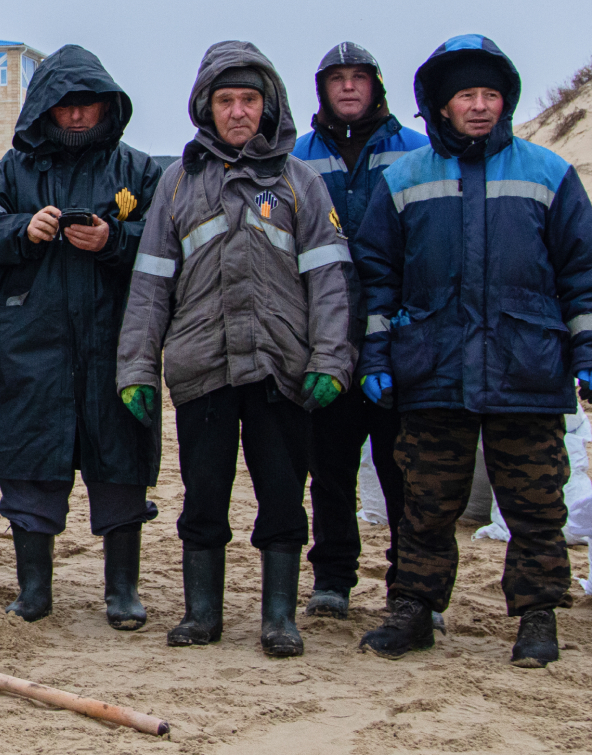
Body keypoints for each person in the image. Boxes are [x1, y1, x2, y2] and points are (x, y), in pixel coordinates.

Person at [354, 35, 591, 669]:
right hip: (433, 367)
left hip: (530, 368)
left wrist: (586, 348)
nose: (479, 106)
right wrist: (376, 358)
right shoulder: (402, 179)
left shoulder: (550, 172)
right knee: (425, 503)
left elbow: (581, 273)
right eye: (466, 95)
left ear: (505, 101)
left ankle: (537, 617)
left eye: (489, 94)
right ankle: (414, 609)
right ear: (441, 105)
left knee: (536, 504)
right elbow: (377, 278)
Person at [116, 41, 353, 657]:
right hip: (203, 369)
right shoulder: (179, 181)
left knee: (281, 493)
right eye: (227, 100)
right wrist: (137, 367)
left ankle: (279, 618)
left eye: (250, 99)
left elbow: (329, 280)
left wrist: (331, 359)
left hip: (282, 369)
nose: (239, 111)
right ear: (206, 107)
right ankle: (203, 615)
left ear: (268, 104)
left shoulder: (301, 182)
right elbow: (150, 283)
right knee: (203, 494)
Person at [0, 45, 163, 628]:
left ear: (107, 106)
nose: (76, 116)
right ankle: (34, 591)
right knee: (30, 464)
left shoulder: (139, 170)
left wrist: (115, 240)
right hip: (34, 342)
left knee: (120, 462)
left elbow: (166, 239)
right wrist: (25, 228)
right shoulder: (14, 169)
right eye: (64, 104)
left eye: (87, 105)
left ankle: (122, 591)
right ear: (44, 107)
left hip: (116, 340)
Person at [290, 42, 429, 618]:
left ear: (376, 86)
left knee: (406, 471)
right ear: (321, 89)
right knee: (330, 468)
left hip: (402, 337)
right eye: (337, 79)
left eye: (359, 78)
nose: (349, 88)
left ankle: (410, 583)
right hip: (326, 335)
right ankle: (333, 578)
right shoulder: (294, 158)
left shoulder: (418, 152)